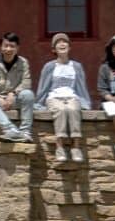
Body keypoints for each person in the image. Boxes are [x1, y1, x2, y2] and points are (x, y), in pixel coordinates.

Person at [36, 31, 92, 166]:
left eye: (64, 41)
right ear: (54, 49)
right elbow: (43, 86)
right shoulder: (50, 66)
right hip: (54, 97)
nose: (62, 44)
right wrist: (39, 102)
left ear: (69, 47)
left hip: (71, 96)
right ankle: (59, 146)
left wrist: (84, 101)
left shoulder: (76, 66)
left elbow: (81, 86)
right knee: (61, 110)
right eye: (58, 42)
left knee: (73, 109)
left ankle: (76, 146)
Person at [0, 31, 35, 145]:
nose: (9, 49)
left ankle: (25, 132)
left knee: (28, 94)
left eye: (12, 46)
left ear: (17, 48)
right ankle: (10, 130)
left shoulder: (23, 63)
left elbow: (26, 82)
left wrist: (13, 93)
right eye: (6, 46)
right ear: (1, 47)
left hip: (15, 99)